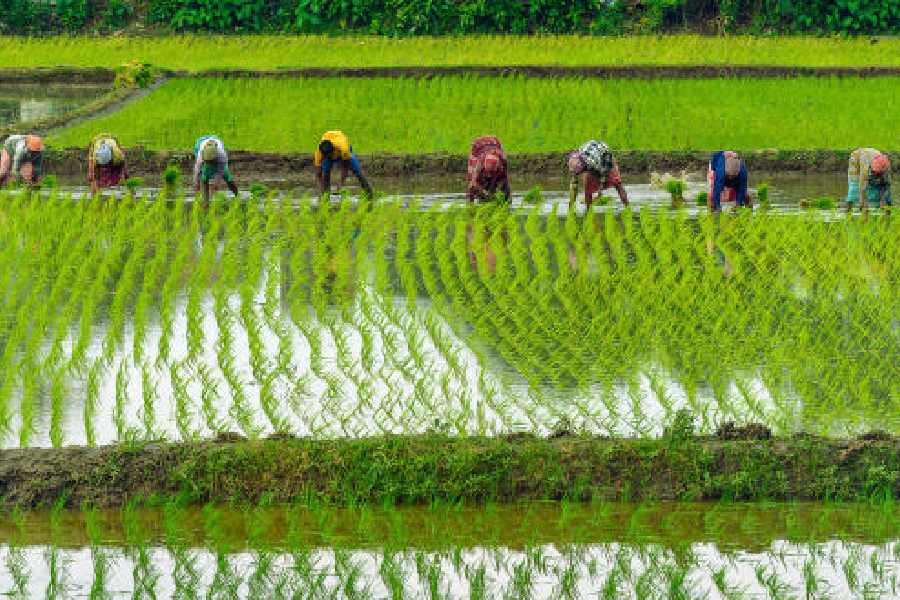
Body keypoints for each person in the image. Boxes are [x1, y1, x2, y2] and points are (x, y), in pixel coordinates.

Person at [567, 140, 628, 207]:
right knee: (587, 189)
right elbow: (574, 184)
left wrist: (599, 192)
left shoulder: (593, 162)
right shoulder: (573, 160)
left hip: (605, 155)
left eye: (579, 173)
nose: (578, 174)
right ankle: (588, 211)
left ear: (583, 168)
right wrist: (571, 204)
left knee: (618, 184)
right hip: (591, 152)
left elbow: (604, 173)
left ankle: (627, 206)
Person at [314, 131, 373, 196]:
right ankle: (325, 196)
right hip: (329, 141)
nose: (329, 157)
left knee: (357, 172)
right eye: (326, 156)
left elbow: (345, 167)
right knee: (325, 174)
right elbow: (318, 173)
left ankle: (369, 193)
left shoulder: (343, 149)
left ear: (333, 150)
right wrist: (321, 189)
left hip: (342, 146)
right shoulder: (319, 153)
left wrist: (341, 184)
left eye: (329, 155)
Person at [193, 135, 238, 203]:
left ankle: (237, 196)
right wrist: (196, 185)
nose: (208, 164)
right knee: (204, 176)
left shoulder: (221, 155)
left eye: (210, 162)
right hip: (201, 142)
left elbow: (220, 172)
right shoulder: (201, 155)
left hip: (217, 151)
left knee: (227, 176)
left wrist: (215, 183)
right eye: (207, 162)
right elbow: (197, 172)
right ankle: (206, 202)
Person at [467, 135, 511, 203]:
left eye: (491, 173)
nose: (489, 175)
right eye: (488, 173)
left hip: (494, 143)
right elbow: (473, 183)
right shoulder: (479, 162)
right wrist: (484, 192)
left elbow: (505, 180)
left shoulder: (503, 161)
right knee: (474, 185)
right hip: (478, 146)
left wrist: (508, 198)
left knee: (504, 185)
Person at [847, 148, 892, 213]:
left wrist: (884, 202)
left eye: (878, 173)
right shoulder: (865, 166)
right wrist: (863, 205)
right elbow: (862, 186)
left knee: (882, 185)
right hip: (857, 158)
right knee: (854, 185)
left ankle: (885, 210)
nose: (876, 174)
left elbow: (887, 185)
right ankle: (848, 209)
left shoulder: (886, 166)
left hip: (875, 155)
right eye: (875, 173)